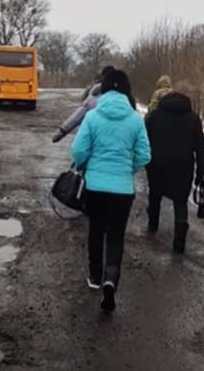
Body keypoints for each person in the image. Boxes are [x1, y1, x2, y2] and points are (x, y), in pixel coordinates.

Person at [71, 69, 151, 312]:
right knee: (116, 235)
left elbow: (78, 151)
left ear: (103, 89)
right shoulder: (136, 119)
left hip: (95, 186)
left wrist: (88, 165)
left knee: (96, 230)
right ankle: (110, 280)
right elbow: (145, 154)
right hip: (122, 190)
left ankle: (95, 277)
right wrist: (127, 169)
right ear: (127, 91)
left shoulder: (93, 117)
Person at [145, 91, 204, 253]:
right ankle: (179, 242)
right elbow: (200, 146)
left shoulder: (154, 116)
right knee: (180, 202)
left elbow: (145, 141)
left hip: (157, 164)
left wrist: (145, 162)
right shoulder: (193, 119)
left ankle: (152, 226)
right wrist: (201, 171)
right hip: (183, 167)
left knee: (155, 195)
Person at [52, 66, 116, 143]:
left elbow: (77, 116)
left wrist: (61, 132)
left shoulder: (93, 95)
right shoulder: (125, 97)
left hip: (95, 139)